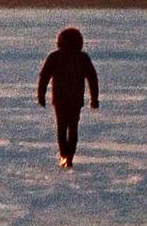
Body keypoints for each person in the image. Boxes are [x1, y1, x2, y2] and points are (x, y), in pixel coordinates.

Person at [36, 25, 100, 167]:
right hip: (73, 99)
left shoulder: (56, 57)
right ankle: (68, 156)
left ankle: (65, 155)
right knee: (72, 128)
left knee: (63, 127)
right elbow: (92, 78)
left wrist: (41, 95)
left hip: (62, 99)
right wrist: (94, 99)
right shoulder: (81, 57)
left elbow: (44, 77)